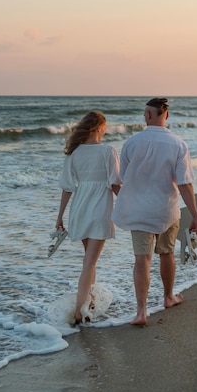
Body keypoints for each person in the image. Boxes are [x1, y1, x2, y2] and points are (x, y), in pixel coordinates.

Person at [112, 97, 197, 326]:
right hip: (166, 210)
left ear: (149, 115)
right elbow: (184, 183)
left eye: (145, 113)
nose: (144, 116)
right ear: (167, 115)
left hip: (138, 210)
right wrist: (195, 214)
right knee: (166, 253)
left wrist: (124, 200)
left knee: (141, 258)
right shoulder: (179, 144)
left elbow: (119, 179)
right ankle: (168, 297)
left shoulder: (132, 143)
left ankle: (141, 311)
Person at [56, 110, 121, 325]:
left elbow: (67, 187)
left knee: (89, 260)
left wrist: (60, 217)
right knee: (89, 261)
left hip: (80, 208)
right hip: (100, 208)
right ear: (99, 128)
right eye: (105, 127)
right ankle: (79, 310)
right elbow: (114, 183)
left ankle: (89, 301)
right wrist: (129, 205)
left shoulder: (74, 153)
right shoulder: (108, 151)